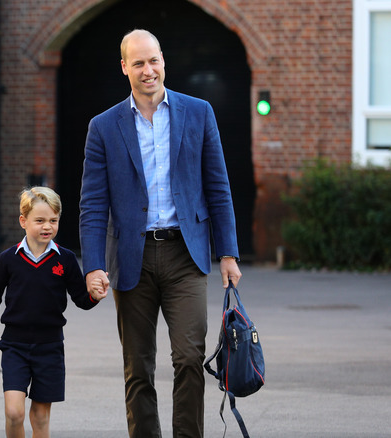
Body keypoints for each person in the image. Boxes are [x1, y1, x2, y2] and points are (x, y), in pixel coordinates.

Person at [79, 29, 243, 437]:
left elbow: (218, 186)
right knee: (138, 366)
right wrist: (93, 266)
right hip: (130, 256)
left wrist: (228, 252)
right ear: (124, 68)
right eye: (138, 63)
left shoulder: (198, 112)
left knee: (189, 357)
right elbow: (93, 205)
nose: (148, 70)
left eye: (153, 60)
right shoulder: (103, 127)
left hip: (185, 255)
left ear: (163, 61)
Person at [0, 186, 107, 438]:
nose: (47, 226)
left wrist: (94, 296)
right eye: (40, 220)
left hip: (50, 347)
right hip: (14, 346)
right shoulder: (8, 259)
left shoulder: (65, 259)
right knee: (14, 413)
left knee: (40, 418)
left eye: (53, 221)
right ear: (23, 221)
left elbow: (81, 299)